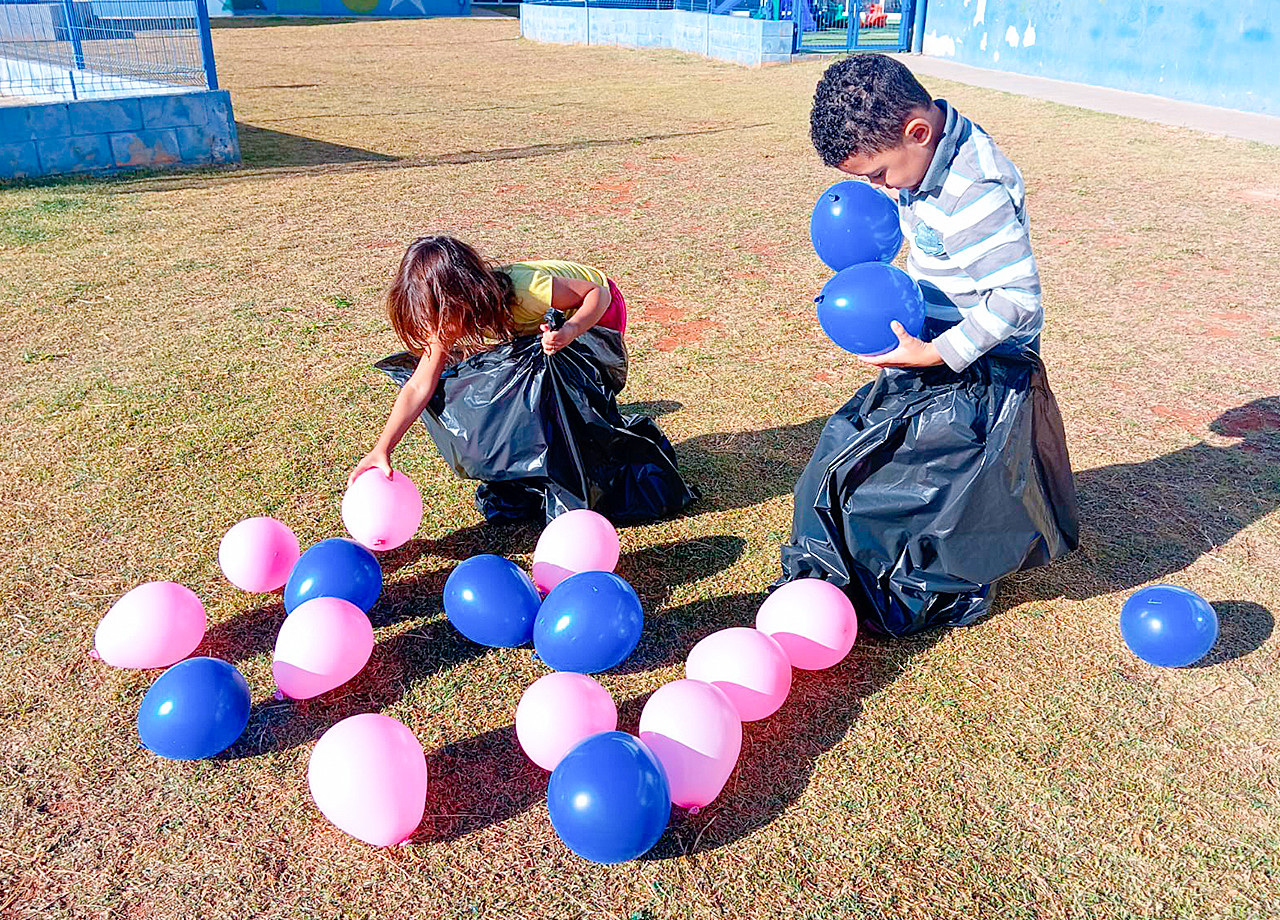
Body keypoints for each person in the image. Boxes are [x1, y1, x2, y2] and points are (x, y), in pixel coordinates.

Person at [780, 54, 1080, 636]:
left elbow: (1016, 298)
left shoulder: (972, 193)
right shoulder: (929, 152)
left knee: (934, 475)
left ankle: (946, 575)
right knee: (877, 458)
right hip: (936, 339)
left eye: (880, 174)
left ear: (918, 132)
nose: (878, 188)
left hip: (980, 361)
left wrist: (934, 354)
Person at [351, 235, 697, 524]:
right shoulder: (447, 321)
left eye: (438, 319)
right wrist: (382, 448)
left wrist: (573, 330)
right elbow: (418, 386)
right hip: (542, 325)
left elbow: (597, 294)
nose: (436, 333)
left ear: (465, 298)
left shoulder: (524, 290)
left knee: (569, 396)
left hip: (595, 314)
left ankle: (593, 458)